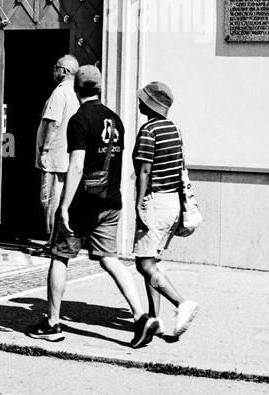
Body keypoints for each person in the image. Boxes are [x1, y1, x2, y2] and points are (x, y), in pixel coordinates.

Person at [28, 64, 160, 349]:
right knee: (109, 259)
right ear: (99, 88)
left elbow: (76, 167)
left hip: (83, 203)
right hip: (111, 201)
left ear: (77, 89)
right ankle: (140, 317)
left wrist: (64, 206)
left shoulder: (79, 120)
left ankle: (52, 323)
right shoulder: (116, 120)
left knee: (59, 257)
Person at [132, 81, 199, 339]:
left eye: (142, 99)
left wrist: (139, 202)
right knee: (154, 261)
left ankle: (182, 304)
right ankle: (155, 318)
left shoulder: (149, 130)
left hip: (155, 202)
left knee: (144, 263)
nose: (139, 102)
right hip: (172, 202)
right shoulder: (175, 129)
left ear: (150, 104)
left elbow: (145, 170)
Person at [34, 54, 79, 244]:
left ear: (65, 71)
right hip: (69, 156)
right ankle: (58, 240)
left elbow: (53, 123)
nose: (54, 70)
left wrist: (45, 149)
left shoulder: (59, 93)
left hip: (54, 156)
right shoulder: (76, 93)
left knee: (50, 201)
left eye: (57, 67)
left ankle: (52, 243)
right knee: (61, 200)